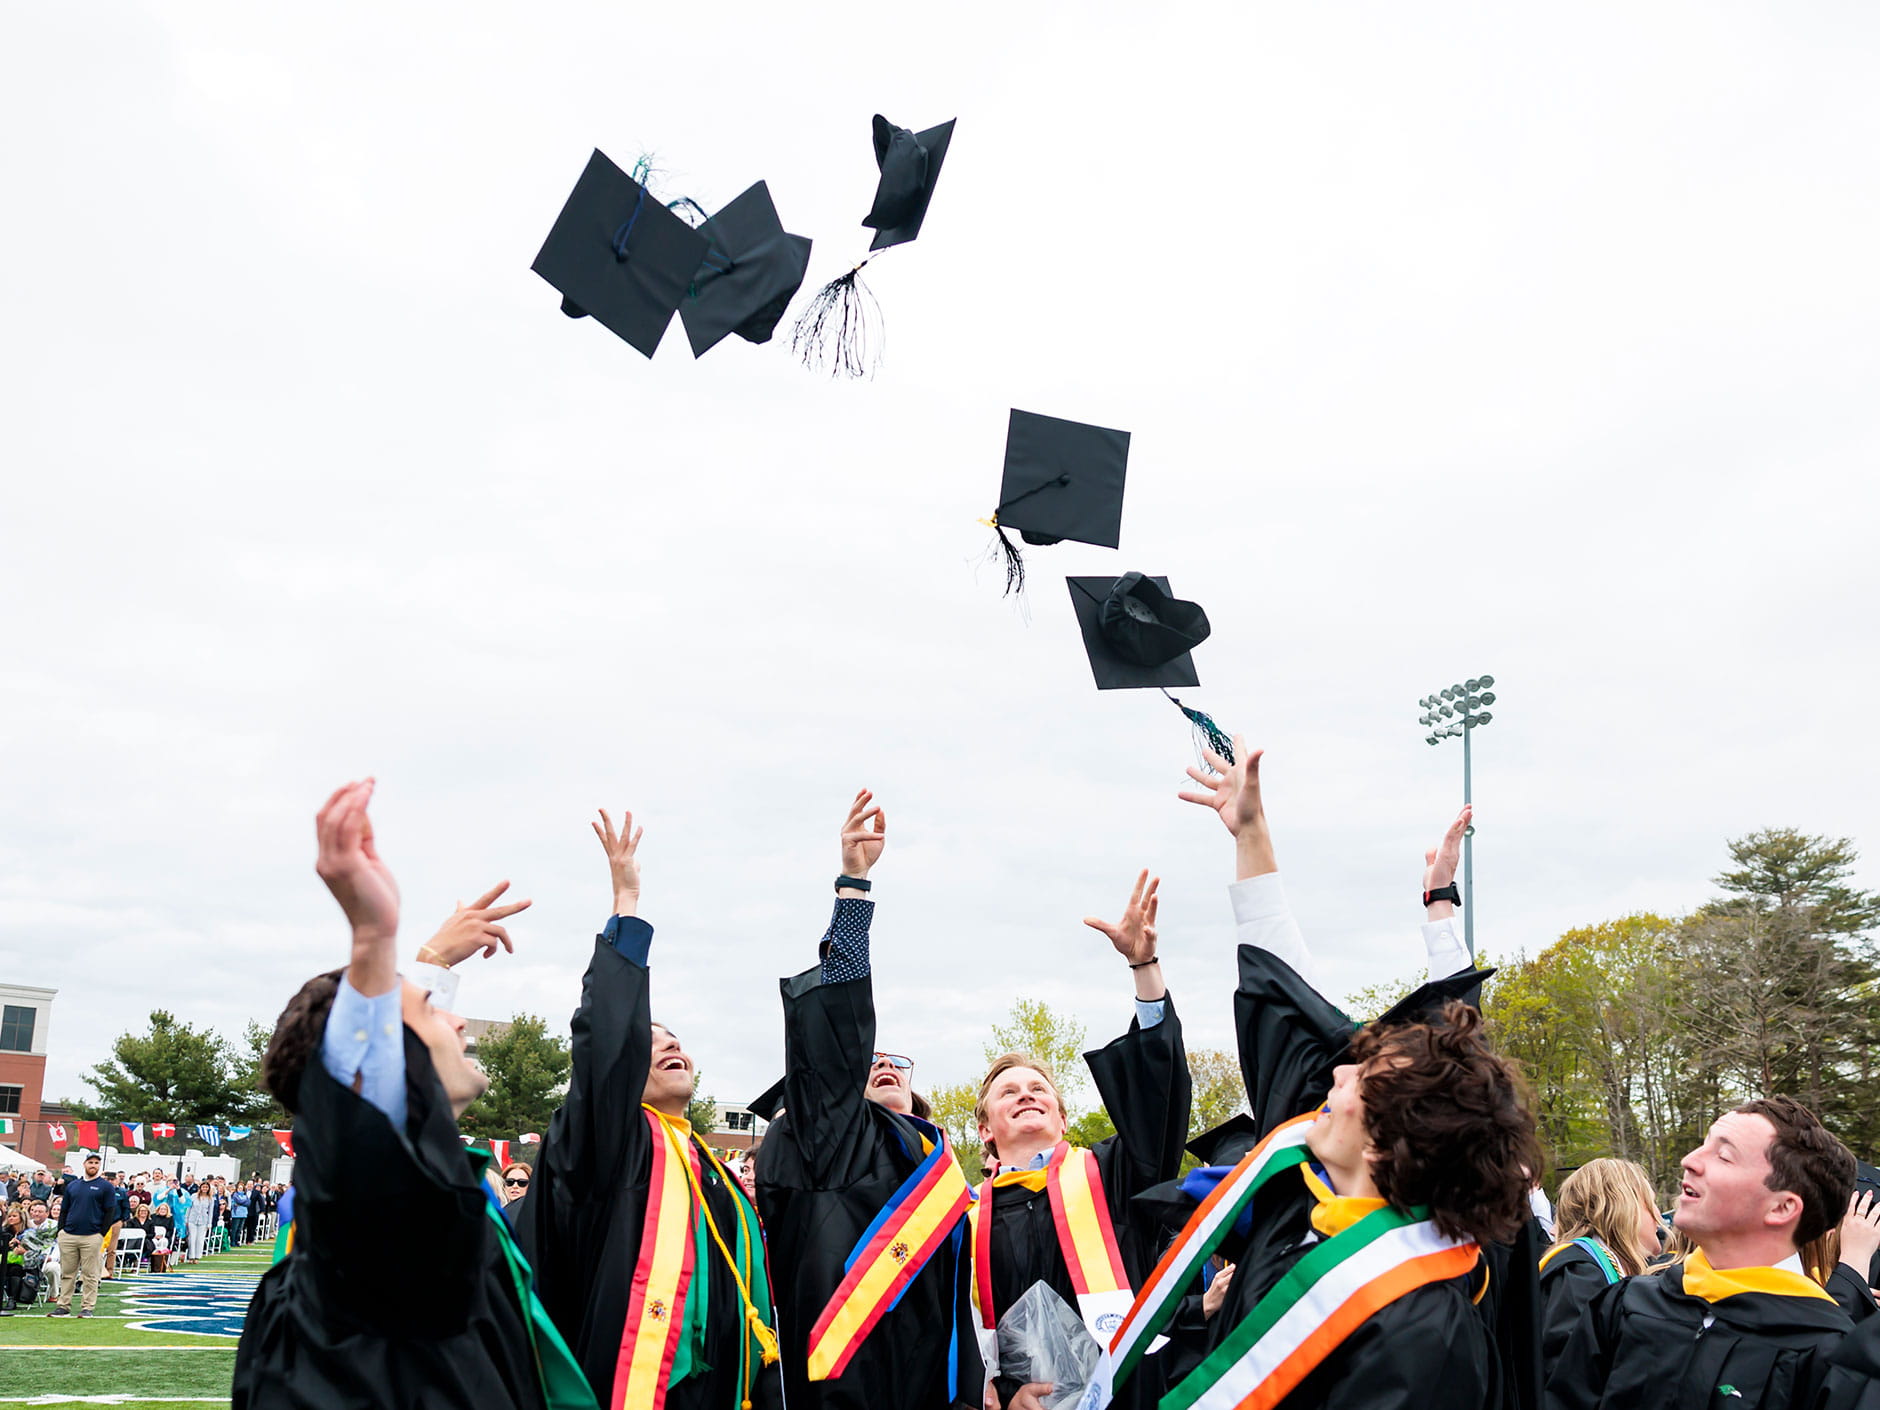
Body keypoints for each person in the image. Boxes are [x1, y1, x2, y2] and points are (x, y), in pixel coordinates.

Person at [1099, 745, 1542, 1410]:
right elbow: (1285, 1000)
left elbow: (1460, 1078)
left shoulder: (1426, 1326)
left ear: (1384, 1142)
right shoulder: (1294, 1208)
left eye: (1358, 1081)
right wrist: (1252, 837)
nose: (1333, 1079)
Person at [232, 778, 592, 1410]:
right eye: (432, 1009)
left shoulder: (427, 1207)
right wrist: (374, 938)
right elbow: (365, 1104)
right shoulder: (368, 1239)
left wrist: (429, 964)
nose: (456, 1021)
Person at [520, 807, 783, 1410]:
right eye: (652, 1039)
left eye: (677, 1040)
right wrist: (627, 906)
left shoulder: (710, 1167)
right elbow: (605, 1046)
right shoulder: (615, 1145)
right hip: (637, 1384)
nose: (671, 1046)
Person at [751, 790, 982, 1410]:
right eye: (869, 1061)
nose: (880, 1063)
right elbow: (835, 1032)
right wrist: (853, 890)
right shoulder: (834, 1142)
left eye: (894, 1063)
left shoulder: (937, 1162)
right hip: (853, 1381)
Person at [967, 860, 1192, 1410]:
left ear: (1063, 1119)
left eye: (1039, 1087)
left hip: (1129, 1392)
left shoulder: (1111, 1173)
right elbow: (955, 1334)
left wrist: (1144, 968)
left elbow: (1158, 1093)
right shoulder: (964, 1220)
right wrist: (998, 1393)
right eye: (1008, 1091)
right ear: (986, 1132)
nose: (1027, 1094)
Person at [1545, 1096, 1857, 1409]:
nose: (1690, 1160)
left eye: (1723, 1156)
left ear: (1781, 1207)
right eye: (1703, 1145)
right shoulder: (1624, 1305)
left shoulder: (1833, 1358)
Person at [1539, 1160, 1662, 1365]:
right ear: (1623, 1207)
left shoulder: (1592, 1269)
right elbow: (1572, 1375)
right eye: (1651, 1204)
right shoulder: (1577, 1274)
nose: (1658, 1215)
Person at [48, 1152, 114, 1317]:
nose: (93, 1165)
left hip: (92, 1236)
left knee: (90, 1274)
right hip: (69, 1234)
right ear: (84, 1164)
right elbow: (64, 1209)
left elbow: (110, 1211)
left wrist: (101, 1233)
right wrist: (61, 1230)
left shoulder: (105, 1187)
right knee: (67, 1273)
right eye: (90, 1162)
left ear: (99, 1166)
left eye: (96, 1163)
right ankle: (63, 1306)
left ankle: (87, 1307)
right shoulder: (73, 1186)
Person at [184, 1177, 212, 1263]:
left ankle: (197, 1256)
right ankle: (191, 1256)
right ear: (200, 1188)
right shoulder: (194, 1196)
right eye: (203, 1187)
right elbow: (189, 1208)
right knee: (192, 1238)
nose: (204, 1189)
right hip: (192, 1219)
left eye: (206, 1187)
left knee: (200, 1239)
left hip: (203, 1221)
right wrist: (186, 1220)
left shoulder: (210, 1199)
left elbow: (210, 1212)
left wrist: (209, 1224)